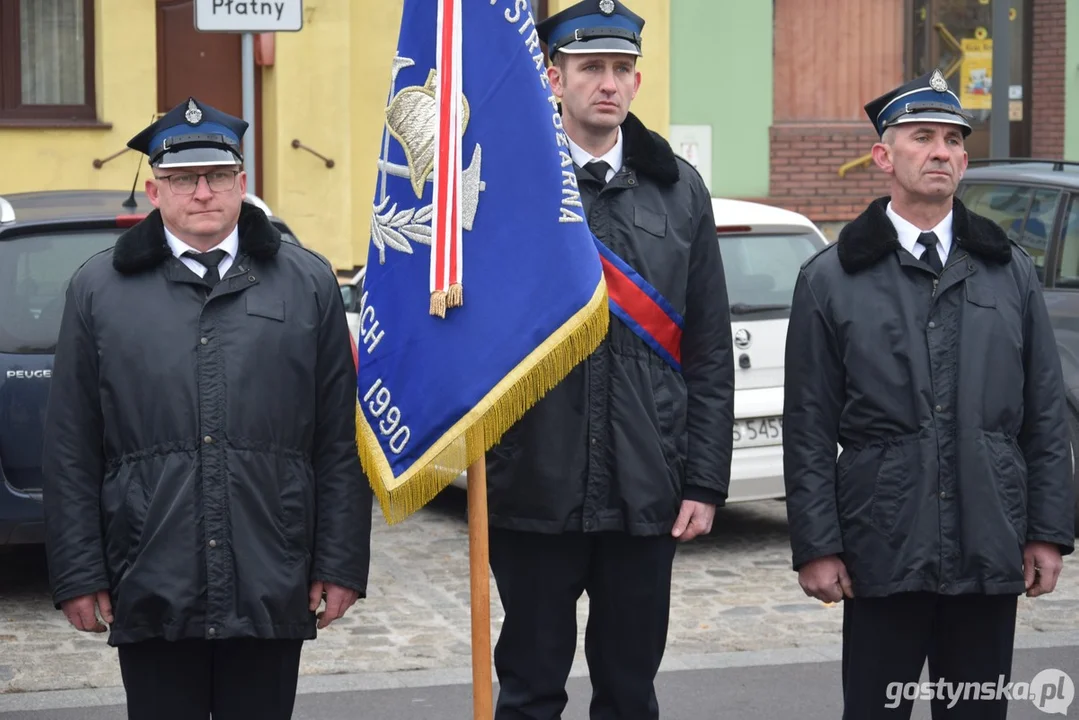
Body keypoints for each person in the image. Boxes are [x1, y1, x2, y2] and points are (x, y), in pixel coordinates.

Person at [41, 97, 372, 720]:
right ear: (153, 188)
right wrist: (79, 571)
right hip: (152, 573)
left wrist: (340, 561)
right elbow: (70, 445)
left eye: (218, 176)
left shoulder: (306, 283)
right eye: (182, 178)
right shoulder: (99, 289)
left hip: (271, 572)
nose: (202, 192)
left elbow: (339, 438)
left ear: (242, 184)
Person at [783, 69, 1076, 719]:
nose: (939, 151)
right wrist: (818, 544)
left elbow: (1044, 414)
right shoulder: (831, 278)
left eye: (951, 140)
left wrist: (1048, 533)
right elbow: (807, 423)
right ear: (884, 156)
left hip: (987, 544)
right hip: (880, 546)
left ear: (964, 161)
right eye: (922, 137)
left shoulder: (1008, 271)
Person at [485, 2, 735, 718]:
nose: (607, 83)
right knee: (530, 688)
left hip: (645, 484)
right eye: (590, 67)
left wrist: (703, 480)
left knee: (629, 690)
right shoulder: (504, 182)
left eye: (621, 69)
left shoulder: (678, 188)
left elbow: (708, 349)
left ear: (636, 79)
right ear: (553, 78)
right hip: (531, 479)